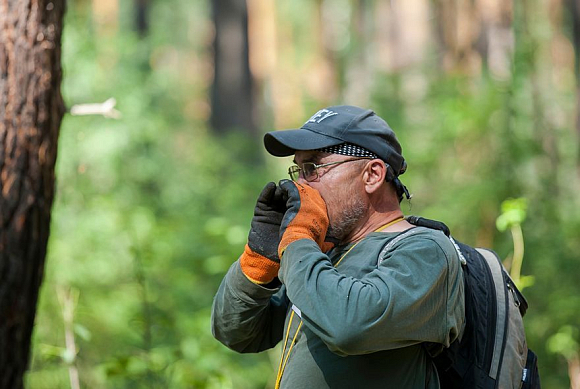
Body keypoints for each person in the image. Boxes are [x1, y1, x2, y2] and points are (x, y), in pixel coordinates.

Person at [211, 105, 465, 388]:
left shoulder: (425, 250)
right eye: (298, 170)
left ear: (372, 175)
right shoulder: (323, 254)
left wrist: (298, 239)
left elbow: (350, 328)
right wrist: (258, 260)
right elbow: (236, 333)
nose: (300, 185)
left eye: (313, 168)